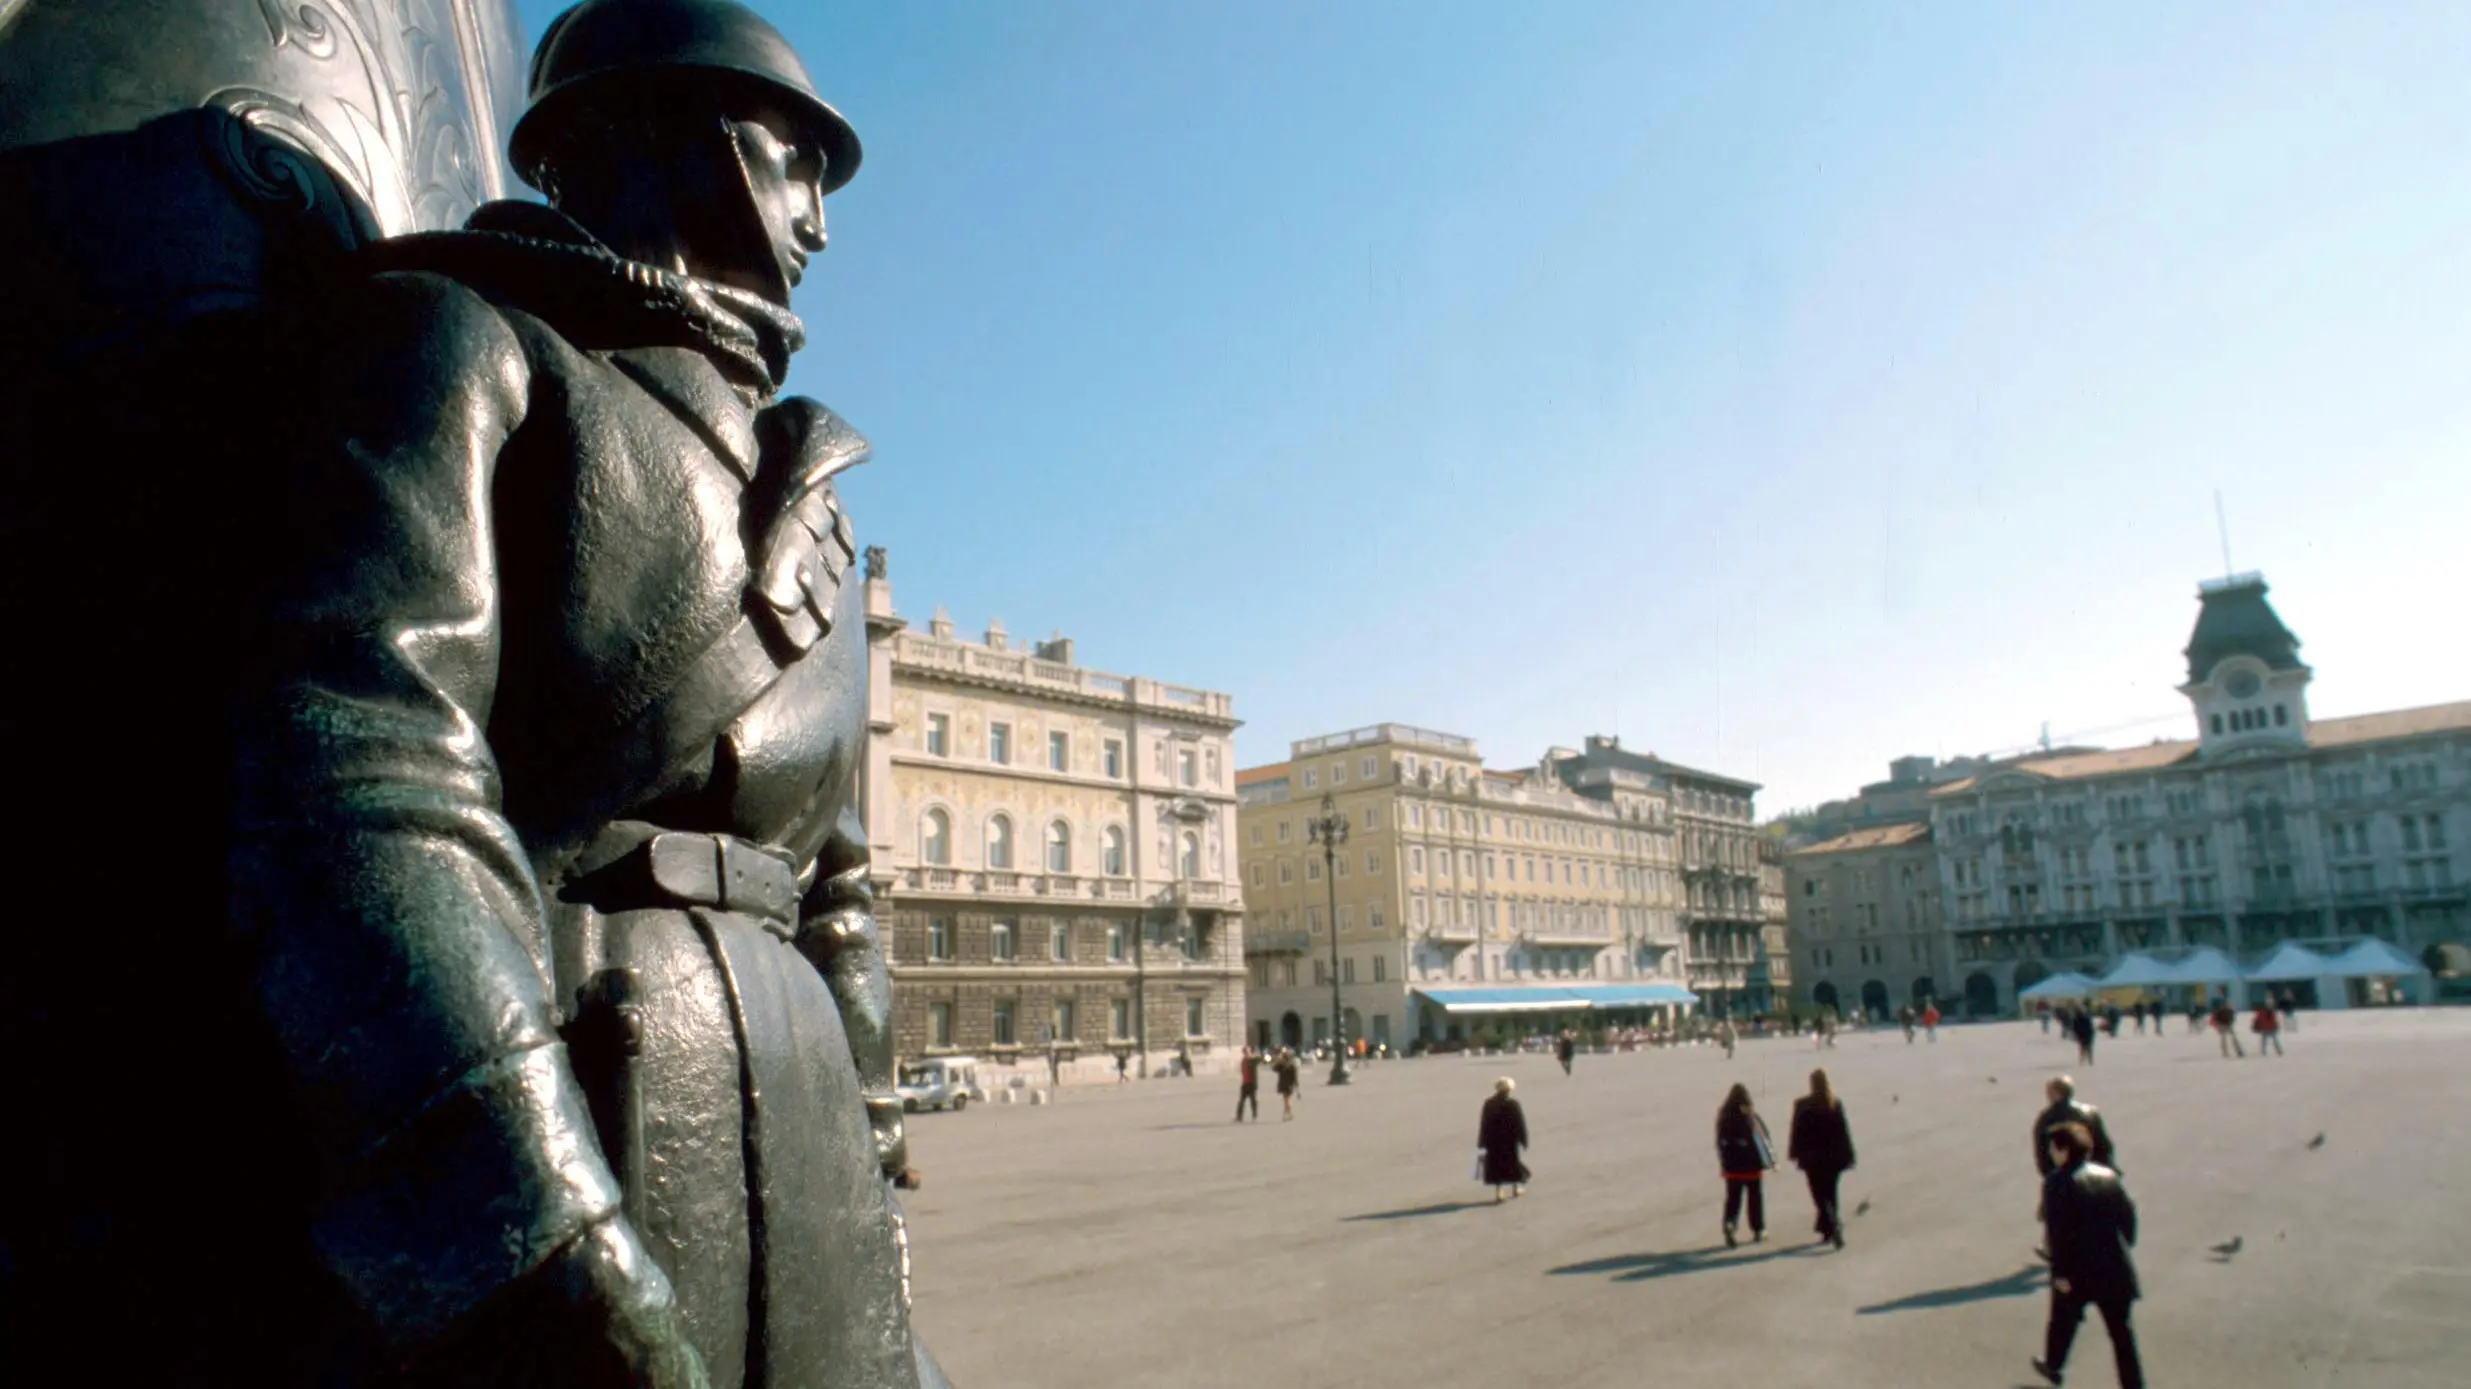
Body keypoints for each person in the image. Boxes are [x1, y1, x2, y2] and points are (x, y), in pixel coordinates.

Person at [2033, 1122, 2145, 1389]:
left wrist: (2059, 1272)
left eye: (2053, 1147)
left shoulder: (2057, 1182)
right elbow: (2128, 1218)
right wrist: (2123, 1244)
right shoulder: (2108, 1176)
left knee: (2063, 1319)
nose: (2050, 1152)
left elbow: (2059, 1231)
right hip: (2114, 1265)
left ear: (2064, 1149)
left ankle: (2054, 1366)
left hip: (2078, 1268)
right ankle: (2133, 1384)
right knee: (2121, 1333)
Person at [1787, 1069, 1856, 1249]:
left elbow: (1796, 1132)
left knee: (1820, 1197)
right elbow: (1843, 1132)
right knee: (1831, 1194)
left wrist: (1794, 1153)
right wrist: (1849, 1155)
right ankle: (1828, 1229)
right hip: (1833, 1159)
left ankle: (1833, 1227)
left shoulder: (1802, 1105)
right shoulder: (1834, 1103)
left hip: (1812, 1159)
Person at [1715, 1082, 1774, 1247]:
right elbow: (1762, 1139)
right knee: (1755, 1198)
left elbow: (1719, 1142)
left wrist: (1724, 1161)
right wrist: (1770, 1161)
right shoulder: (1751, 1117)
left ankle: (1730, 1224)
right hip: (1751, 1167)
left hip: (1732, 1167)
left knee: (1733, 1199)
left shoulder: (1724, 1116)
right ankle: (1758, 1229)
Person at [1477, 1077, 1530, 1202]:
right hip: (1509, 1140)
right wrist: (1524, 1140)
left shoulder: (1489, 1103)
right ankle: (1516, 1188)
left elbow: (1484, 1123)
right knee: (1513, 1163)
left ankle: (1499, 1192)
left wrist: (1482, 1141)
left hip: (1494, 1140)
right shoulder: (1513, 1104)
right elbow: (1520, 1123)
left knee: (1496, 1166)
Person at [1275, 1047, 1301, 1120]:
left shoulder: (1281, 1065)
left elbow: (1274, 1068)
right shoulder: (1292, 1066)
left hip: (1283, 1084)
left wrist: (1278, 1061)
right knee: (1287, 1100)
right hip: (1290, 1085)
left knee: (1286, 1100)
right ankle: (1288, 1113)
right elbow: (1295, 1078)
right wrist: (1297, 1088)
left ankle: (1287, 1114)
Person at [1235, 1046, 1261, 1121]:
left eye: (1248, 1051)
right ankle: (1239, 1116)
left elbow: (1260, 1058)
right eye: (1246, 1052)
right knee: (1241, 1101)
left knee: (1253, 1100)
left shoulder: (1253, 1060)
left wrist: (1254, 1055)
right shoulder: (1243, 1060)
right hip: (1245, 1083)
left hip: (1252, 1084)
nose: (1247, 1053)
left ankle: (1254, 1115)